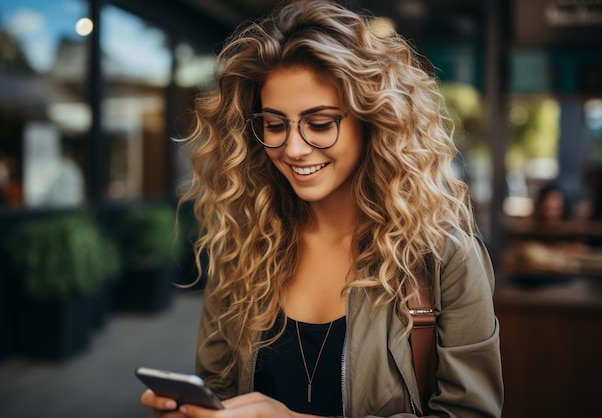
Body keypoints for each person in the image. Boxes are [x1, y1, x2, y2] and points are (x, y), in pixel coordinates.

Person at [141, 1, 503, 417]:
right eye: (275, 124)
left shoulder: (443, 255)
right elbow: (221, 388)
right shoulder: (243, 242)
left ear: (374, 121)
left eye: (319, 122)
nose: (293, 148)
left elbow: (471, 412)